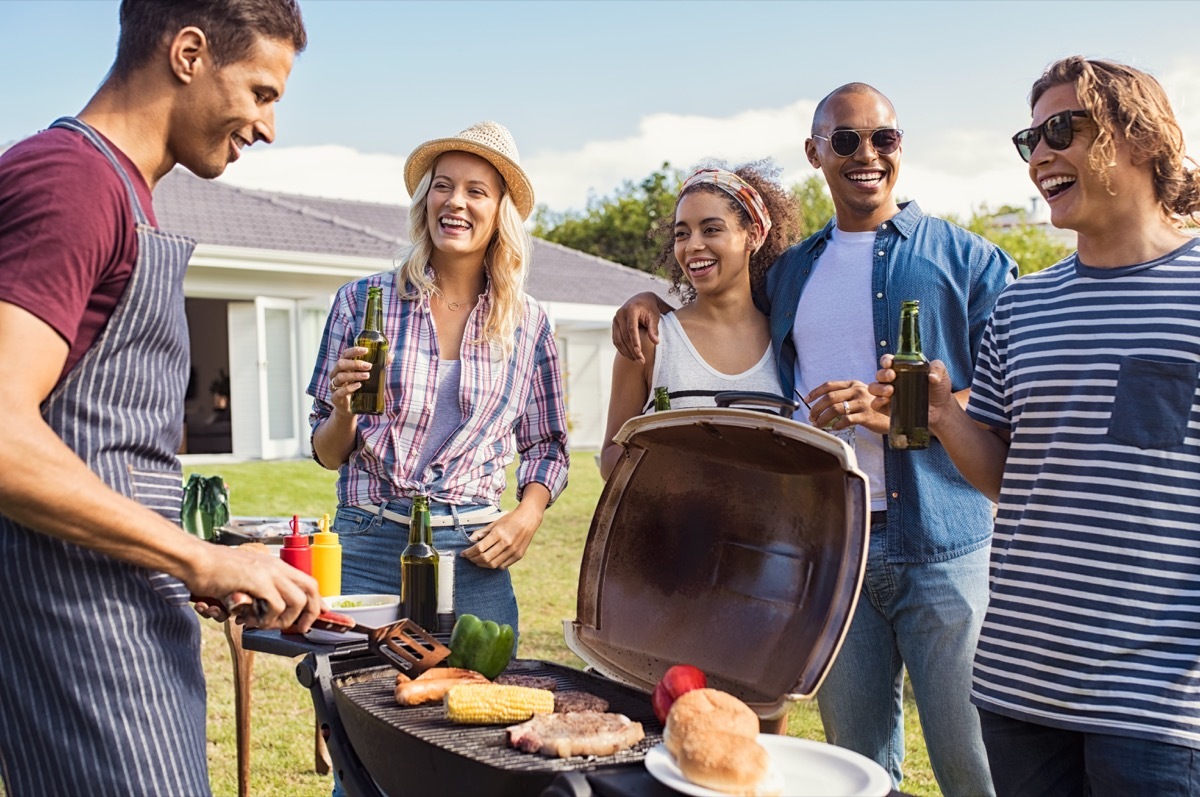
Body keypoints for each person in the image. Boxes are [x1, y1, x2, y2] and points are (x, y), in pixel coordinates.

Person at [612, 83, 1016, 795]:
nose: (866, 155)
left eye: (882, 139)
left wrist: (926, 405)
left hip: (946, 547)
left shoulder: (967, 258)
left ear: (900, 146)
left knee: (973, 762)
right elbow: (721, 296)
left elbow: (1013, 388)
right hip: (834, 551)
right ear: (815, 152)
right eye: (845, 140)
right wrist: (652, 297)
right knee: (854, 766)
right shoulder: (795, 272)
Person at [0, 2, 321, 796]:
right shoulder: (73, 181)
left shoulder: (125, 194)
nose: (267, 125)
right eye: (261, 91)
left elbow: (96, 442)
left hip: (123, 608)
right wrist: (197, 556)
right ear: (187, 52)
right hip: (79, 632)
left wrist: (198, 565)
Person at [872, 56, 1200, 796]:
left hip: (1155, 697)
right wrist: (945, 412)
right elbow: (1002, 473)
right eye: (1031, 140)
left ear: (1144, 139)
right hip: (1020, 685)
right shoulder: (1023, 308)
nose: (1041, 154)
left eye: (1063, 129)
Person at [307, 121, 569, 640]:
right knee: (351, 710)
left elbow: (548, 444)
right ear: (426, 200)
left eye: (476, 191)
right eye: (443, 186)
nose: (455, 202)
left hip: (472, 550)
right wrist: (342, 411)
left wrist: (528, 514)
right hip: (368, 540)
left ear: (500, 213)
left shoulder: (529, 322)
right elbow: (327, 452)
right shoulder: (361, 303)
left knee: (477, 709)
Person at [600, 161, 799, 480]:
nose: (693, 245)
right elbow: (610, 456)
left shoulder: (787, 340)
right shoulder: (650, 340)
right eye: (682, 233)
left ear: (753, 235)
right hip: (673, 529)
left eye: (711, 229)